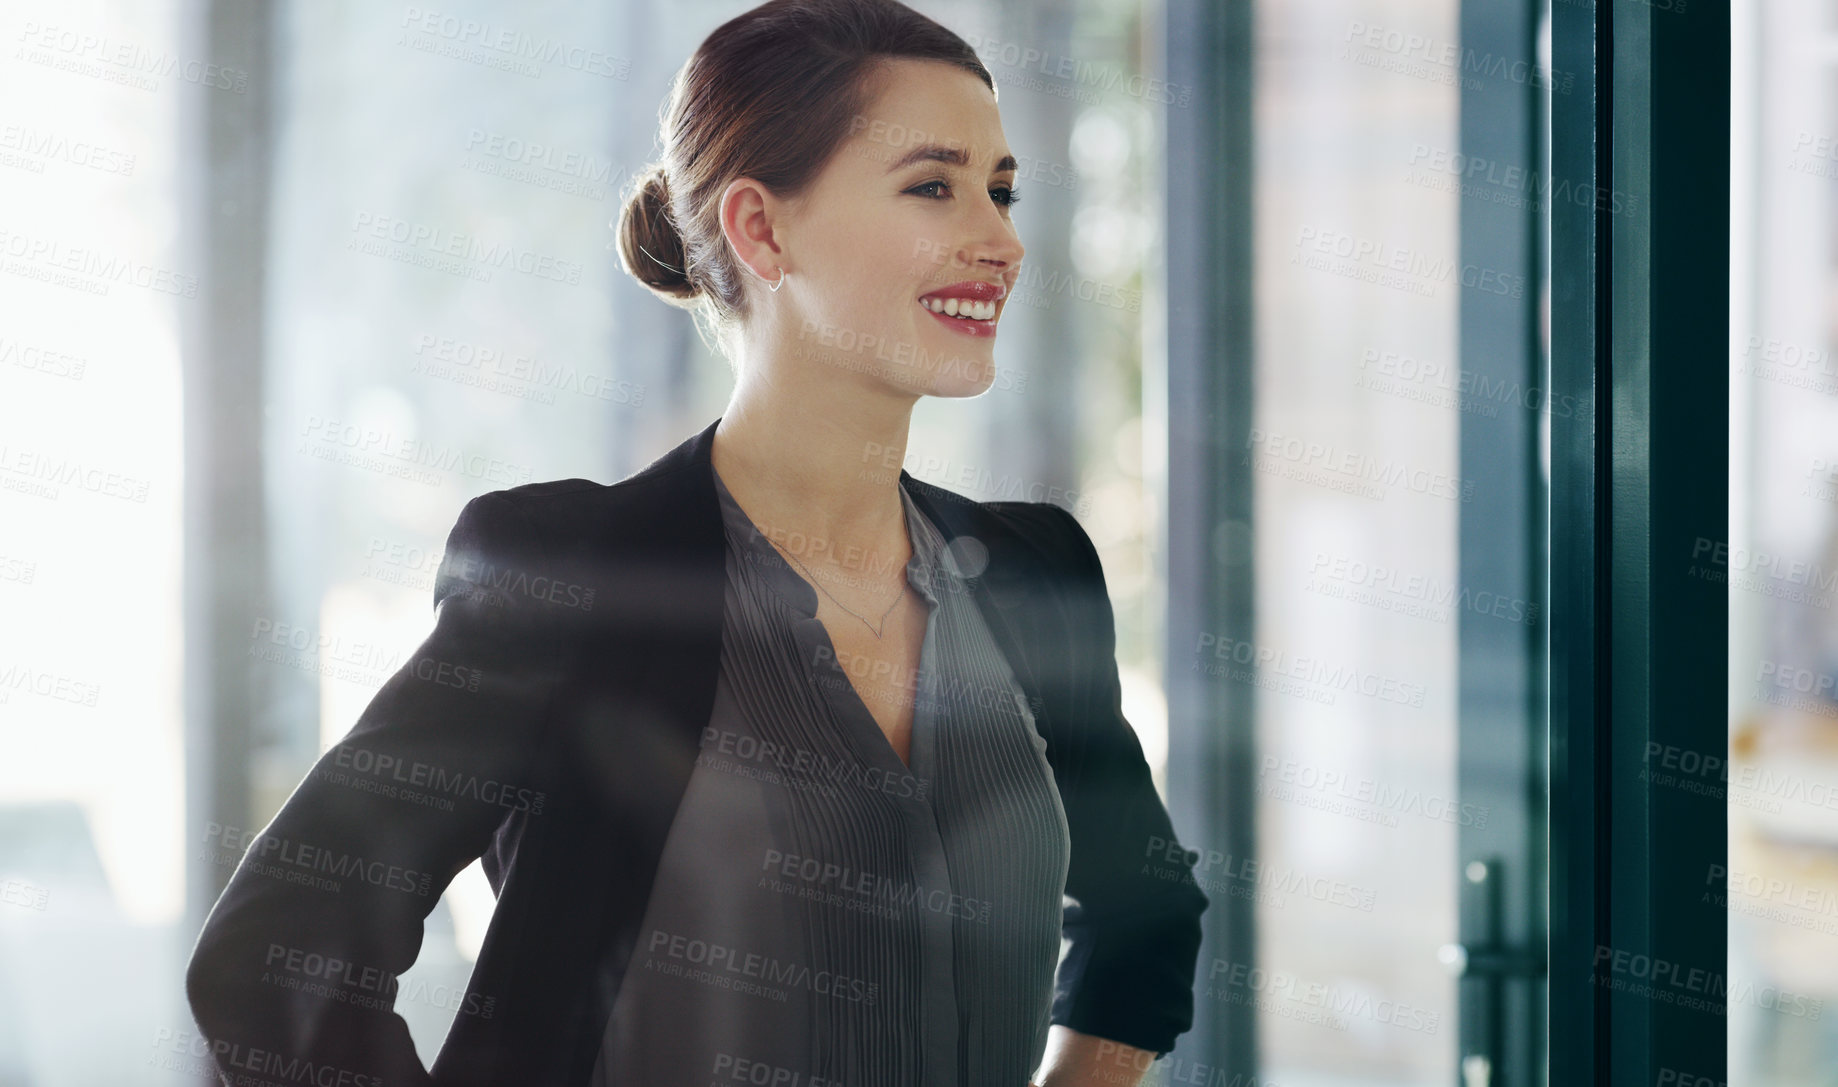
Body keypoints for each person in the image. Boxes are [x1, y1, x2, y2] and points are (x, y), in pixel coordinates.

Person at [183, 2, 1208, 1085]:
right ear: (762, 230)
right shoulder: (580, 580)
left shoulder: (1034, 576)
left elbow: (1145, 908)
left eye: (1000, 190)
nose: (999, 240)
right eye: (932, 186)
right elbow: (277, 952)